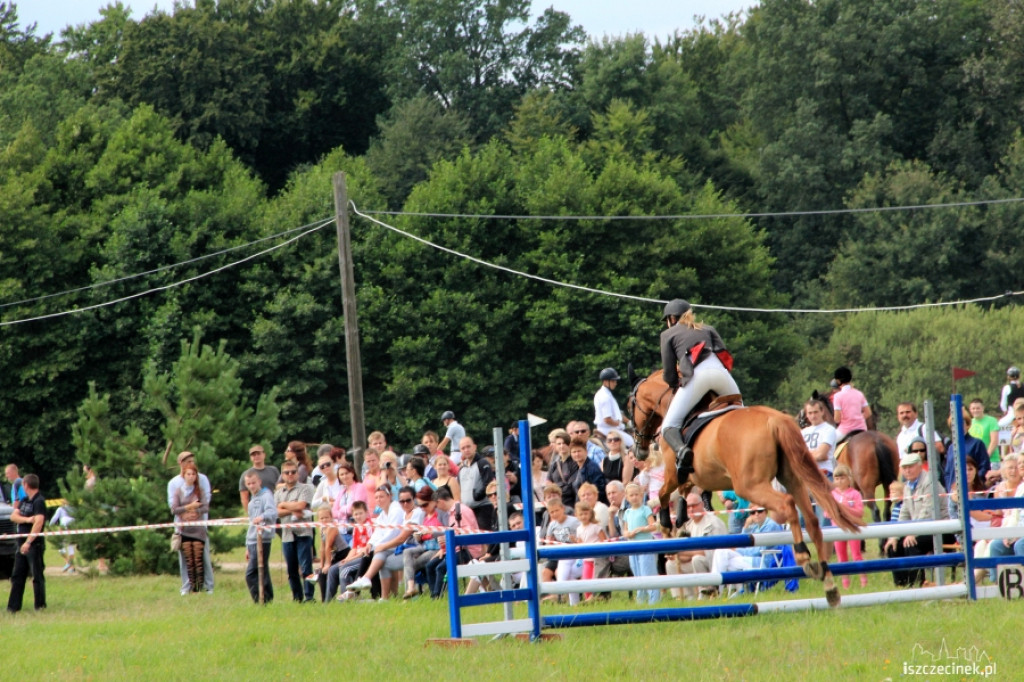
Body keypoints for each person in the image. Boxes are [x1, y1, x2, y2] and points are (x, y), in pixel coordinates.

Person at [659, 298, 739, 473]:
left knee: (668, 426)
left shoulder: (667, 335)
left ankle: (682, 450)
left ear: (671, 319)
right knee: (744, 413)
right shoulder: (708, 328)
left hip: (697, 378)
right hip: (721, 375)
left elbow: (668, 372)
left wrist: (675, 384)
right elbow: (723, 354)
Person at [883, 446, 950, 587]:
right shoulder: (908, 486)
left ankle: (917, 584)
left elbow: (928, 511)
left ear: (919, 466)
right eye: (904, 467)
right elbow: (904, 513)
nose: (907, 470)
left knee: (911, 543)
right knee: (893, 546)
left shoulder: (930, 483)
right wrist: (894, 536)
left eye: (911, 467)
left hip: (939, 529)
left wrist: (913, 532)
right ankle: (902, 584)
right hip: (919, 529)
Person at [665, 491, 727, 599]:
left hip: (714, 564)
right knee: (671, 564)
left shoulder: (713, 523)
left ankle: (706, 592)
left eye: (694, 505)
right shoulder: (689, 525)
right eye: (688, 507)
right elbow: (686, 550)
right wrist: (676, 555)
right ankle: (685, 597)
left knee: (697, 559)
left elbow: (709, 553)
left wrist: (682, 553)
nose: (691, 509)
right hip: (696, 562)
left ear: (702, 504)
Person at [168, 451, 214, 594]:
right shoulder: (174, 483)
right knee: (185, 557)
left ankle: (208, 585)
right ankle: (187, 586)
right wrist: (185, 512)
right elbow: (173, 505)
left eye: (192, 461)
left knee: (203, 556)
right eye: (187, 461)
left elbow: (206, 498)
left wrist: (196, 511)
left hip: (199, 524)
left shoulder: (203, 479)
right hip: (183, 526)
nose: (190, 464)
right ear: (180, 464)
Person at [425, 487, 483, 599]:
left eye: (436, 506)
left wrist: (447, 539)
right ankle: (434, 595)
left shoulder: (462, 511)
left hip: (468, 551)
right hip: (456, 548)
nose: (437, 510)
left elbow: (467, 535)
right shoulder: (452, 513)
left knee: (441, 568)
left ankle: (437, 597)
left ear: (440, 502)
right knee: (430, 565)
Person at [709, 508, 785, 587]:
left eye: (759, 511)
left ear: (766, 512)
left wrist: (737, 550)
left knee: (723, 559)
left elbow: (758, 551)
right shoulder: (756, 527)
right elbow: (742, 543)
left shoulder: (770, 526)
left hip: (763, 561)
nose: (756, 514)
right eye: (753, 512)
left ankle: (716, 587)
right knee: (721, 554)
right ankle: (718, 588)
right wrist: (746, 526)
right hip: (751, 559)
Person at [274, 462, 316, 602]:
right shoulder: (279, 492)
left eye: (293, 472)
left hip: (303, 533)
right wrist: (293, 508)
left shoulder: (306, 488)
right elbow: (276, 512)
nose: (290, 475)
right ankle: (297, 597)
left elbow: (302, 505)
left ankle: (309, 597)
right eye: (287, 472)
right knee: (291, 570)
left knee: (306, 568)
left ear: (297, 473)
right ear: (282, 475)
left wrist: (283, 504)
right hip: (287, 535)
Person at [7, 473, 46, 613]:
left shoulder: (39, 501)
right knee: (17, 576)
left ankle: (40, 606)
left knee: (37, 576)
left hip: (33, 545)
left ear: (26, 485)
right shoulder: (24, 501)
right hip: (20, 543)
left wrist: (28, 541)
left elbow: (39, 522)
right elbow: (13, 516)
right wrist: (27, 520)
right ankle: (13, 607)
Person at [828, 465, 866, 589]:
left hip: (852, 528)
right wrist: (836, 511)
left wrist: (846, 509)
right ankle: (845, 583)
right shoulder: (832, 494)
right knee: (841, 556)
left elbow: (860, 512)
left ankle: (863, 580)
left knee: (856, 554)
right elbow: (826, 513)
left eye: (842, 478)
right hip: (837, 528)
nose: (839, 481)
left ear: (849, 479)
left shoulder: (855, 494)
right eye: (837, 478)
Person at [402, 486, 443, 599]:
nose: (422, 508)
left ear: (433, 501)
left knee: (409, 565)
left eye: (425, 505)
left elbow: (440, 533)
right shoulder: (425, 516)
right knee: (407, 552)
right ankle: (411, 588)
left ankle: (410, 594)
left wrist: (425, 534)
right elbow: (422, 536)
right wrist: (418, 536)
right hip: (425, 546)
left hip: (436, 548)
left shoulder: (439, 514)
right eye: (420, 506)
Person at [622, 482, 659, 605]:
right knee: (636, 572)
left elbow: (653, 526)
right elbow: (625, 530)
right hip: (632, 546)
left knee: (647, 571)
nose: (634, 497)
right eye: (631, 495)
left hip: (645, 545)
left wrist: (642, 529)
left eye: (636, 495)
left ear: (641, 495)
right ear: (627, 497)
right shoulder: (627, 513)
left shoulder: (645, 509)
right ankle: (641, 599)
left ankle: (654, 599)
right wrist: (628, 534)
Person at [244, 470, 277, 604]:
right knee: (262, 569)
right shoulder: (253, 498)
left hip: (262, 539)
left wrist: (262, 517)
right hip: (252, 539)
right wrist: (247, 545)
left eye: (253, 483)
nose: (251, 486)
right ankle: (267, 599)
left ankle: (259, 599)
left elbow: (272, 512)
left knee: (251, 573)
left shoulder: (266, 495)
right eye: (249, 484)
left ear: (259, 482)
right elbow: (251, 523)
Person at [328, 501, 371, 601]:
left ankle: (347, 599)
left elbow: (365, 550)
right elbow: (354, 548)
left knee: (345, 569)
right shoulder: (356, 528)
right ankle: (327, 601)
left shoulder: (369, 526)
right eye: (356, 514)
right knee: (332, 569)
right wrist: (347, 559)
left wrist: (350, 560)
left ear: (366, 513)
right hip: (355, 556)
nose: (358, 516)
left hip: (365, 557)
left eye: (361, 513)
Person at [543, 499, 582, 604]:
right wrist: (550, 543)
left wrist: (576, 540)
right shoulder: (552, 525)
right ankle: (557, 596)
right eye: (552, 512)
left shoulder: (574, 522)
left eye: (557, 510)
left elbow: (583, 537)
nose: (555, 514)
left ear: (563, 509)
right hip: (560, 554)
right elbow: (548, 541)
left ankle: (560, 594)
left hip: (575, 554)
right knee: (547, 572)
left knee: (564, 572)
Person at [456, 436, 495, 530]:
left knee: (485, 538)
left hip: (483, 508)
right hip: (467, 510)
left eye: (468, 447)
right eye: (463, 448)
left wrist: (477, 495)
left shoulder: (482, 463)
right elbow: (459, 488)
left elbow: (489, 483)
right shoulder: (461, 468)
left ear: (474, 447)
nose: (466, 450)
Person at [313, 506, 349, 602]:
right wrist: (321, 565)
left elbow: (328, 547)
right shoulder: (322, 529)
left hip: (343, 553)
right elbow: (322, 548)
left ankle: (329, 599)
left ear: (331, 517)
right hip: (335, 555)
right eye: (322, 518)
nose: (324, 520)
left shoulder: (332, 528)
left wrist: (328, 564)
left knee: (328, 571)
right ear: (318, 519)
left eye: (327, 517)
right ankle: (325, 600)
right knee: (321, 574)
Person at [594, 368, 635, 449]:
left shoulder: (606, 394)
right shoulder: (604, 397)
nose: (615, 383)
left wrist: (628, 421)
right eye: (613, 381)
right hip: (608, 430)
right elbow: (607, 419)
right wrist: (619, 424)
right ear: (606, 381)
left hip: (609, 428)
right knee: (632, 442)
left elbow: (616, 415)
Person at [802, 399, 837, 481]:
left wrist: (805, 455)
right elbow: (796, 455)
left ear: (822, 412)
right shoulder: (803, 432)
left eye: (816, 412)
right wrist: (815, 453)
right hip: (806, 475)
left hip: (824, 475)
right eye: (810, 413)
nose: (813, 416)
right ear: (806, 415)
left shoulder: (829, 429)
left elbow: (821, 455)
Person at [831, 367, 871, 440]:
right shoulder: (859, 394)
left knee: (829, 442)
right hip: (862, 428)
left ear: (838, 381)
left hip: (845, 430)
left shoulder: (837, 396)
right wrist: (857, 419)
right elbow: (868, 413)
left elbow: (837, 419)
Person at [240, 444, 279, 508]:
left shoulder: (273, 470)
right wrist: (250, 513)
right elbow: (244, 498)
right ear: (250, 458)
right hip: (257, 508)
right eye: (253, 455)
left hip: (275, 507)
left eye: (258, 454)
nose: (256, 456)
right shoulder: (245, 474)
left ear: (264, 454)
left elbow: (280, 489)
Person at [331, 461, 368, 528]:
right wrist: (344, 512)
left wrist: (342, 510)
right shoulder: (341, 492)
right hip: (343, 528)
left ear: (352, 473)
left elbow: (356, 507)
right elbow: (333, 512)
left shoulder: (360, 487)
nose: (344, 476)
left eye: (347, 473)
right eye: (341, 474)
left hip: (358, 527)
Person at [968, 398, 1001, 465]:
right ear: (970, 410)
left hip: (991, 460)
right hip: (974, 462)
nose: (975, 410)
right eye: (973, 408)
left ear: (983, 408)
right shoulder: (969, 422)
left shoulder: (991, 421)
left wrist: (985, 458)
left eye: (978, 408)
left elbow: (994, 441)